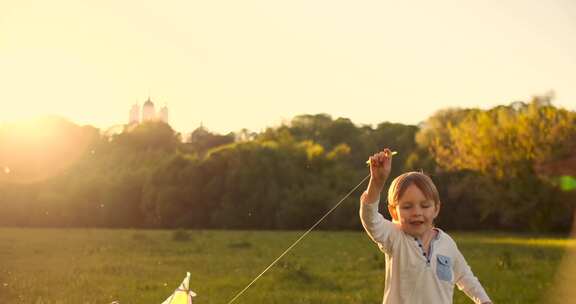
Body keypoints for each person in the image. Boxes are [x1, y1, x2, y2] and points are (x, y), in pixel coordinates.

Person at [360, 148, 492, 304]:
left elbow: (464, 275)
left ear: (436, 208)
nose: (417, 212)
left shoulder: (447, 243)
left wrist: (484, 301)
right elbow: (371, 219)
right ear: (394, 212)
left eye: (424, 206)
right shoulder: (395, 238)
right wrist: (376, 182)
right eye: (407, 207)